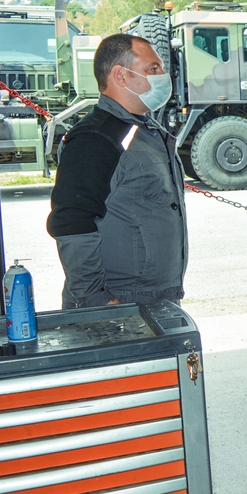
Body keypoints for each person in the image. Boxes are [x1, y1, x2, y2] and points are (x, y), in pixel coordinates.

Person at [47, 33, 187, 309]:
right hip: (119, 303)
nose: (163, 76)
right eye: (153, 69)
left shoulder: (144, 130)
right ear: (121, 75)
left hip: (157, 297)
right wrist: (96, 300)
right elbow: (72, 222)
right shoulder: (95, 138)